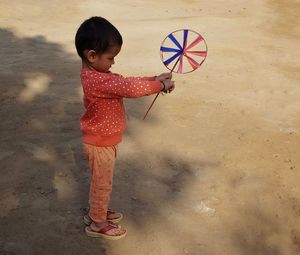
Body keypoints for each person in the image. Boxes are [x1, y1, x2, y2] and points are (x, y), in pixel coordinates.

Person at [75, 16, 175, 240]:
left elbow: (125, 81)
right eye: (111, 57)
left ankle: (96, 212)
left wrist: (154, 78)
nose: (113, 63)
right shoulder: (98, 80)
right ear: (91, 55)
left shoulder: (98, 75)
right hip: (100, 143)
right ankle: (98, 223)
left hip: (103, 140)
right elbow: (128, 88)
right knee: (102, 184)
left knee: (101, 182)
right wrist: (159, 85)